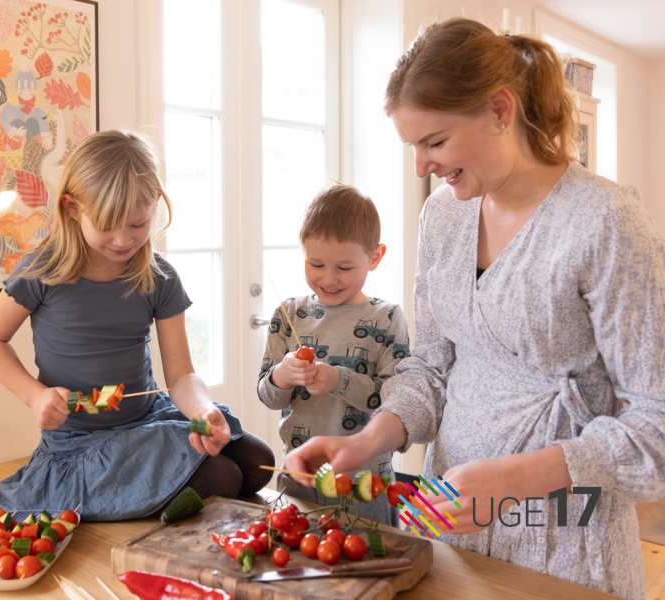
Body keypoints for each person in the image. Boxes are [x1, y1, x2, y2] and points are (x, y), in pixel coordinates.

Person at [285, 18, 665, 600]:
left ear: (500, 110)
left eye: (434, 142)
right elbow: (430, 369)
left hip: (564, 532)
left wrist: (512, 481)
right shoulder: (442, 217)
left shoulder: (605, 221)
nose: (421, 166)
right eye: (413, 146)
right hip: (451, 519)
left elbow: (656, 424)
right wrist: (368, 442)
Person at [0, 129, 274, 521]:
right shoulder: (41, 272)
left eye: (137, 224)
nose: (122, 239)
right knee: (222, 477)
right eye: (107, 225)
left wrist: (202, 410)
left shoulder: (159, 278)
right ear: (72, 207)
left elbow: (181, 376)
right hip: (79, 441)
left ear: (154, 204)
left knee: (259, 464)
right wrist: (34, 396)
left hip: (147, 418)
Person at [258, 184, 410, 526]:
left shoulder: (386, 317)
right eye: (316, 264)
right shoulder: (288, 314)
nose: (328, 278)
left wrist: (337, 380)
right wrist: (282, 374)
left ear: (375, 257)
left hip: (363, 484)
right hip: (298, 477)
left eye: (343, 268)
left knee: (368, 562)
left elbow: (396, 402)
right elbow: (267, 395)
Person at [0, 71, 54, 151]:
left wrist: (47, 136)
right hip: (16, 141)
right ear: (17, 90)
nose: (26, 94)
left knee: (32, 121)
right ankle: (16, 149)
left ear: (34, 92)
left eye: (30, 91)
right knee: (18, 122)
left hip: (32, 142)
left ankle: (36, 150)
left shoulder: (36, 108)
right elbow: (2, 120)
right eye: (22, 91)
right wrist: (14, 131)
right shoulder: (11, 105)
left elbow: (43, 123)